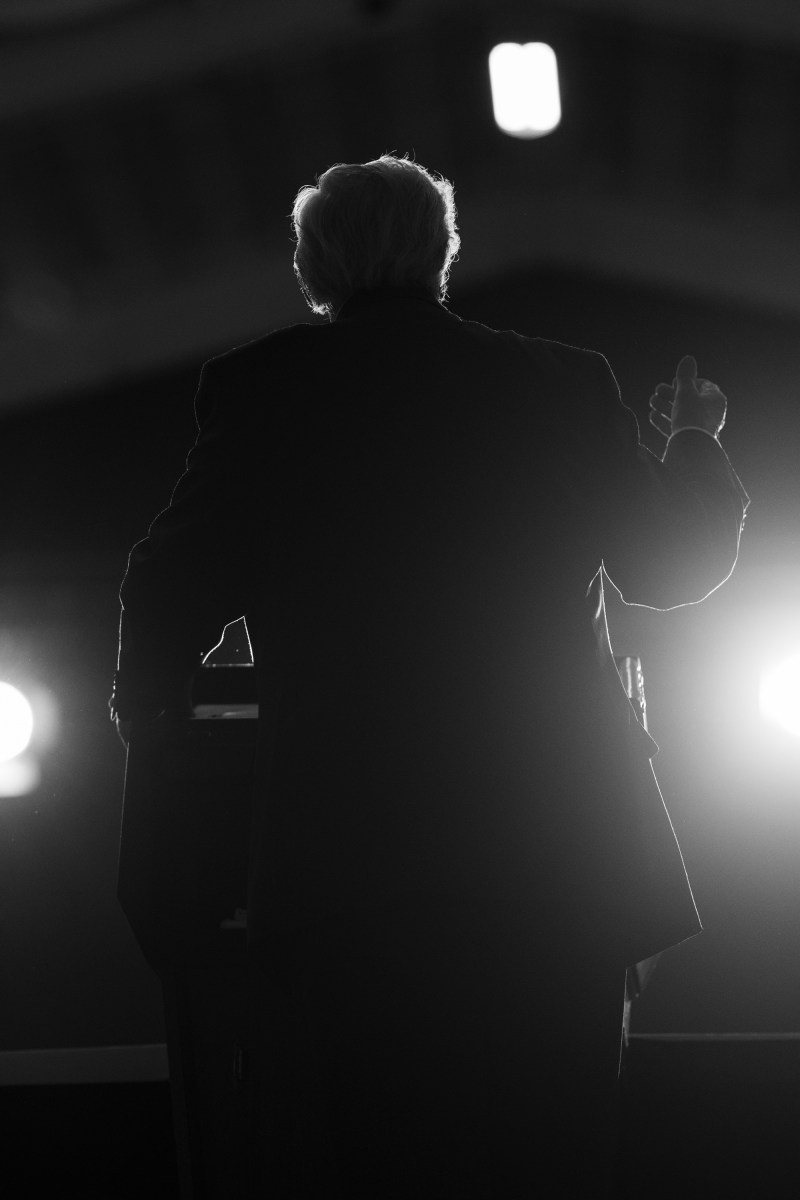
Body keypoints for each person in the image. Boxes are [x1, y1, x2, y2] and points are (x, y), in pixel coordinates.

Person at [111, 154, 748, 1197]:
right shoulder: (556, 380)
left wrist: (166, 754)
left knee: (373, 1153)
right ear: (443, 253)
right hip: (551, 866)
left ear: (313, 263)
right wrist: (692, 441)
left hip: (345, 874)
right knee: (547, 1149)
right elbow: (667, 564)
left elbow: (163, 591)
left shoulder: (261, 389)